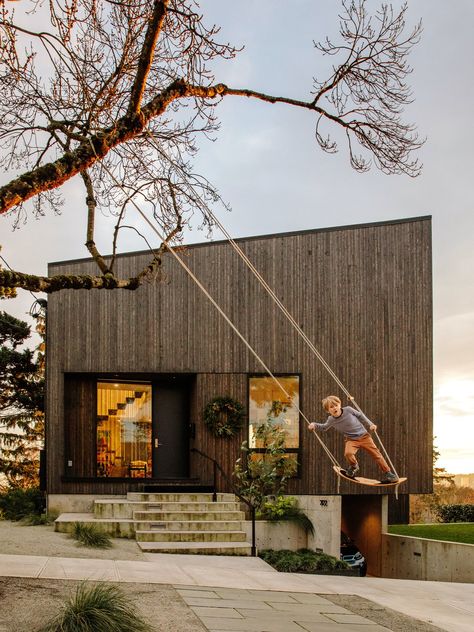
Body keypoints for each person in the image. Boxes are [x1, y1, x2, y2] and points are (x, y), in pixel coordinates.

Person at [308, 395, 399, 483]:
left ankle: (389, 474)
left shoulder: (348, 410)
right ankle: (354, 466)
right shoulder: (331, 419)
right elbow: (324, 427)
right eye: (331, 407)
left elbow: (361, 416)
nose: (335, 408)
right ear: (328, 411)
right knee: (348, 453)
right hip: (351, 440)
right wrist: (314, 425)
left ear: (340, 404)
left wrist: (370, 424)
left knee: (377, 455)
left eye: (336, 405)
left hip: (364, 437)